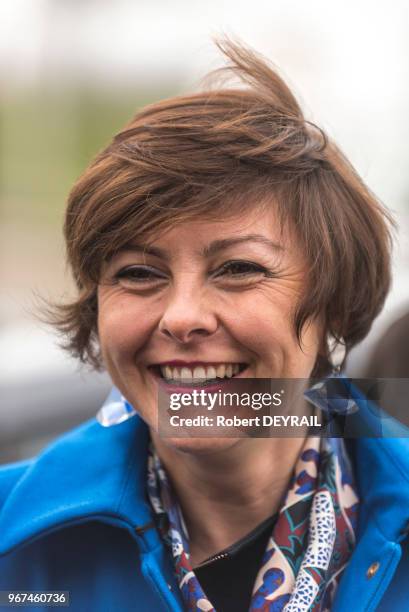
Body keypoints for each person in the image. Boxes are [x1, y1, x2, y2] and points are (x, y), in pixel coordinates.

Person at [0, 39, 407, 612]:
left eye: (239, 269)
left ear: (332, 302)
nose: (183, 316)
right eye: (139, 273)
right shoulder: (14, 546)